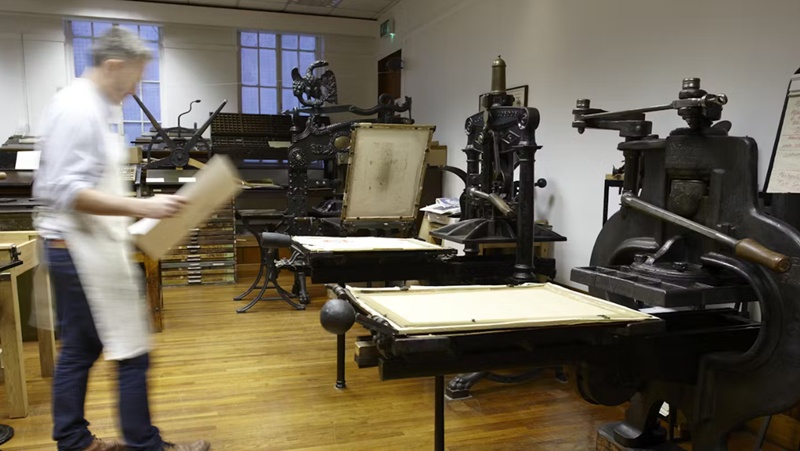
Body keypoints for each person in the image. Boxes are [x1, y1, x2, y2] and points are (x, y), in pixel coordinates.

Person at [33, 27, 210, 451]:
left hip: (84, 247)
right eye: (134, 79)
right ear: (113, 65)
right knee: (131, 353)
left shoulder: (88, 105)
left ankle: (74, 442)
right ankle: (144, 445)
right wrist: (144, 209)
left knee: (81, 349)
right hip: (80, 251)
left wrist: (136, 217)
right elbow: (67, 191)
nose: (135, 90)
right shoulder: (78, 108)